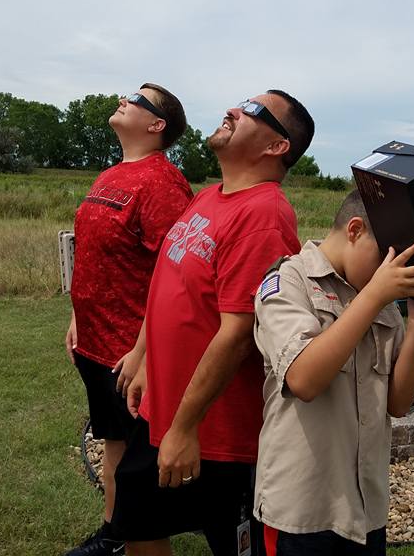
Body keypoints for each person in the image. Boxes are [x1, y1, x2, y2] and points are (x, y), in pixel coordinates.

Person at [112, 90, 315, 556]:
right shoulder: (209, 198)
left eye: (254, 110)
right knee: (138, 522)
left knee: (234, 545)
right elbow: (168, 284)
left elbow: (239, 333)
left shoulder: (263, 215)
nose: (234, 109)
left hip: (215, 436)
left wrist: (186, 428)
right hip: (162, 411)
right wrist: (144, 358)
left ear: (276, 146)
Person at [253, 190, 414, 555]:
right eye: (387, 259)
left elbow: (399, 404)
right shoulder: (288, 282)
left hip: (365, 511)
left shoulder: (381, 300)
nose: (394, 273)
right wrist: (373, 296)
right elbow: (304, 380)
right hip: (302, 511)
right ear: (355, 230)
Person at [64, 84, 193, 556]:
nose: (125, 99)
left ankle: (136, 534)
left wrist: (145, 352)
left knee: (140, 463)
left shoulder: (162, 183)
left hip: (129, 352)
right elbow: (96, 255)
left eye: (139, 99)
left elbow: (174, 273)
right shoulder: (113, 174)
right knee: (113, 442)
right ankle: (113, 535)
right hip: (94, 342)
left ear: (157, 126)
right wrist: (77, 318)